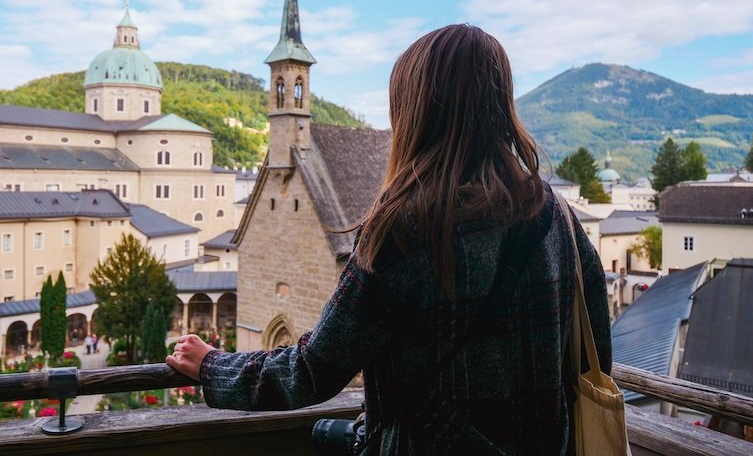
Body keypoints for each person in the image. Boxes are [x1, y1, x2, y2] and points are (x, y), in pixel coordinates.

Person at [167, 25, 612, 454]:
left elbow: (313, 369)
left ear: (415, 110)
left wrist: (212, 365)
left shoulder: (406, 231)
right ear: (500, 104)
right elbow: (596, 352)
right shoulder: (554, 214)